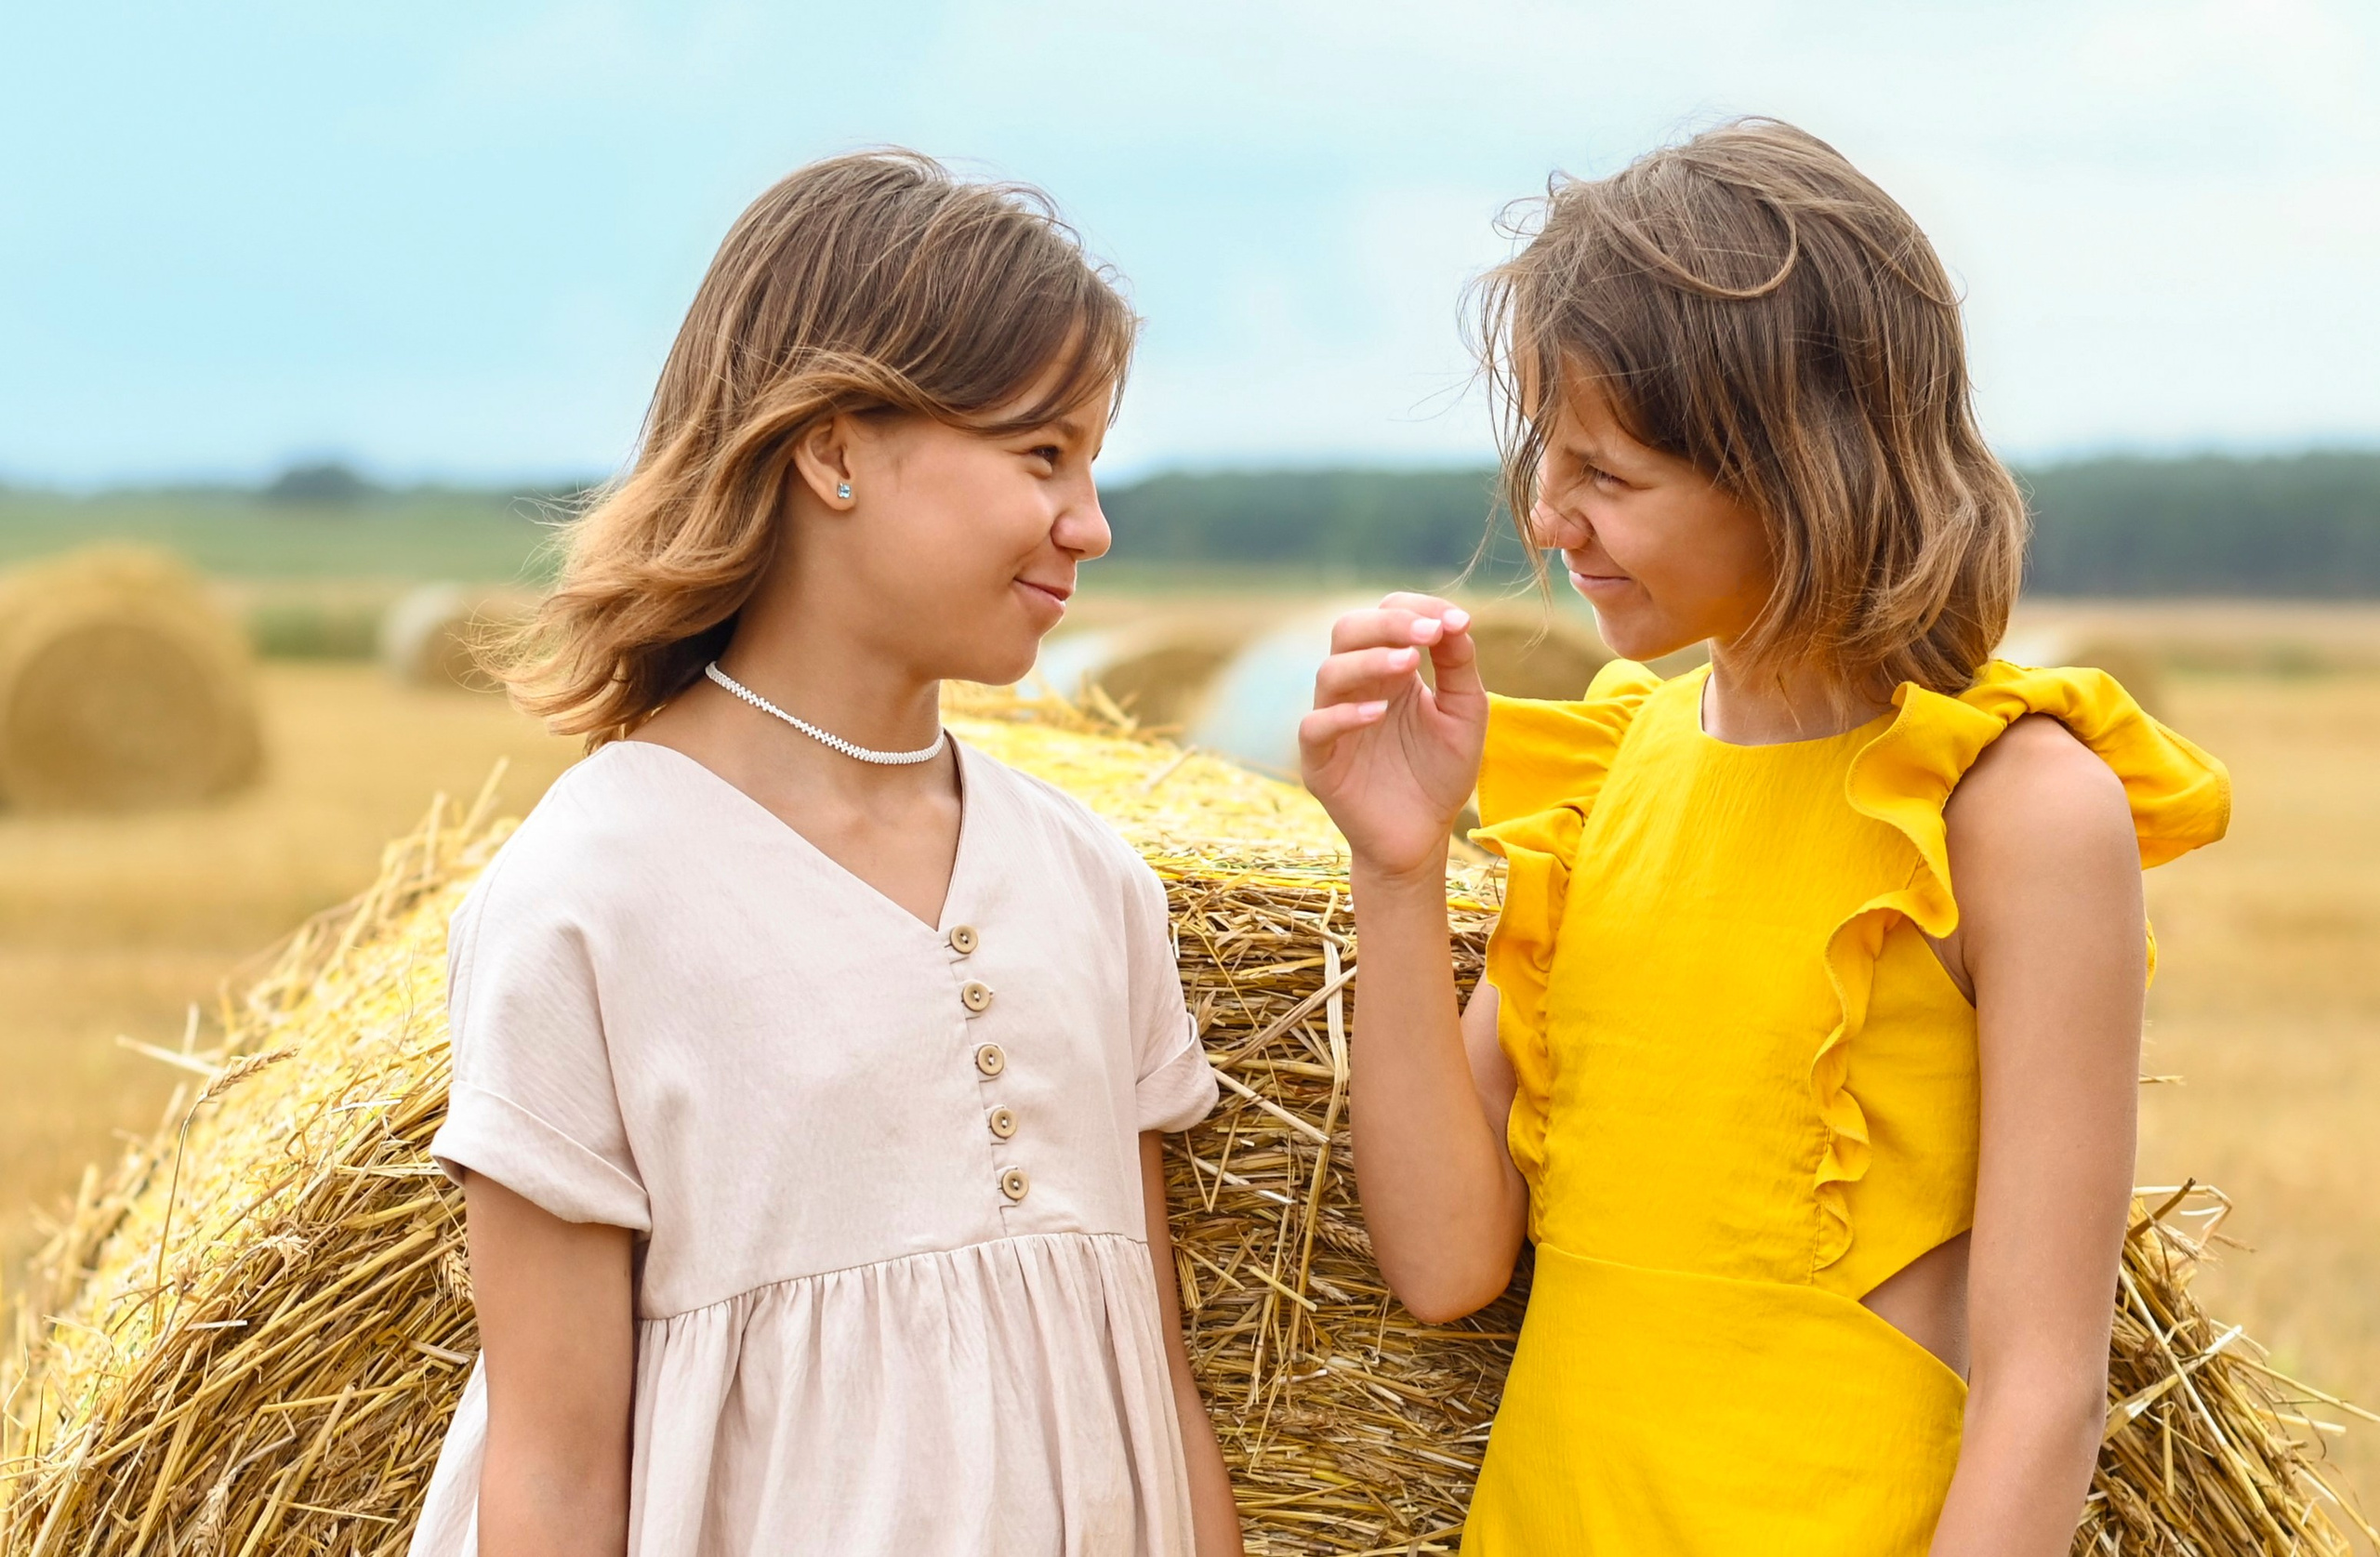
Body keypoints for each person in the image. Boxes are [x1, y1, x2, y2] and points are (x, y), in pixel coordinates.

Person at [1299, 120, 2229, 1555]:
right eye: (1549, 456)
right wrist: (1398, 868)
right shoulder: (1610, 779)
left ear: (1803, 469)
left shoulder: (2016, 811)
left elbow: (2045, 1392)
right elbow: (1442, 1262)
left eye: (1610, 474)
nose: (1551, 517)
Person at [404, 152, 1243, 1557]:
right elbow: (549, 1478)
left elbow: (1152, 1383)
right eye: (1042, 455)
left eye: (1091, 464)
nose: (1089, 524)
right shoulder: (589, 901)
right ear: (835, 447)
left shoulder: (1092, 882)